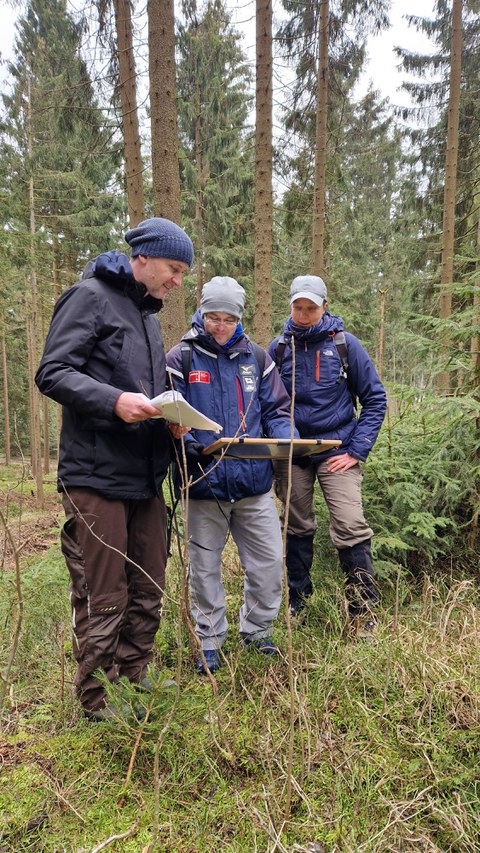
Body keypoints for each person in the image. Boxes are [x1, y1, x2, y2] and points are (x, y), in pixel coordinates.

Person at [35, 217, 194, 720]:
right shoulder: (89, 296)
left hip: (145, 476)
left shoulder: (148, 315)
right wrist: (114, 401)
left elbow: (142, 393)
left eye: (183, 273)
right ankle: (96, 701)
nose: (177, 281)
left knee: (148, 585)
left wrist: (168, 418)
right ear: (141, 258)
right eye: (173, 269)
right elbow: (53, 372)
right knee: (105, 593)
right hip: (95, 475)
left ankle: (134, 679)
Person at [166, 276, 298, 673]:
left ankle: (258, 631)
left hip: (254, 484)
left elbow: (276, 409)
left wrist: (285, 439)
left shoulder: (257, 358)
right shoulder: (181, 358)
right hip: (204, 485)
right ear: (200, 312)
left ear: (239, 318)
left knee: (269, 563)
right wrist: (190, 448)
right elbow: (170, 417)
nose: (219, 326)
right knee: (204, 570)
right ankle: (209, 640)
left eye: (227, 318)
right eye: (212, 317)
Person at [269, 275, 387, 637]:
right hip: (294, 452)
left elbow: (375, 400)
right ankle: (298, 603)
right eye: (298, 307)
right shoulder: (278, 350)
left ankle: (363, 611)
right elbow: (269, 404)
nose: (304, 315)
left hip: (338, 451)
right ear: (290, 305)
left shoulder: (344, 345)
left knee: (350, 523)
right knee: (296, 524)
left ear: (324, 306)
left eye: (311, 308)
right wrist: (282, 442)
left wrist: (355, 450)